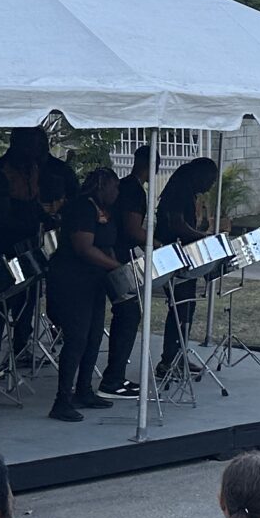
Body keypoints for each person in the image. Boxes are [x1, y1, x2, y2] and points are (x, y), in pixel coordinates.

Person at [0, 129, 75, 381]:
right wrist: (32, 224)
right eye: (37, 146)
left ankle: (21, 348)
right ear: (20, 145)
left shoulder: (31, 168)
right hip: (6, 242)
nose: (41, 151)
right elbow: (3, 216)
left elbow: (33, 204)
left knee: (30, 296)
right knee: (2, 301)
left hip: (29, 240)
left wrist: (50, 219)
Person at [43, 169, 120, 422]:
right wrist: (115, 267)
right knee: (76, 339)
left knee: (94, 337)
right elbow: (84, 248)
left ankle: (84, 390)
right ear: (101, 187)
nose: (117, 194)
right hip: (72, 282)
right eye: (114, 188)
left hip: (94, 282)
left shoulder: (102, 209)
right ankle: (61, 401)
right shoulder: (81, 208)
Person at [152, 156, 218, 386]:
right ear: (199, 175)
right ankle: (169, 361)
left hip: (181, 256)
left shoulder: (185, 190)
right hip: (173, 257)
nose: (211, 186)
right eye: (210, 180)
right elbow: (177, 225)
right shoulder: (179, 190)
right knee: (181, 307)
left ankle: (177, 356)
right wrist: (204, 237)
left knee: (186, 306)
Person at [101, 150, 154, 397]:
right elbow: (133, 230)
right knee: (128, 314)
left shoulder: (126, 187)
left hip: (113, 256)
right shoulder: (133, 190)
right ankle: (113, 381)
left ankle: (113, 378)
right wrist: (157, 242)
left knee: (125, 315)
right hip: (115, 259)